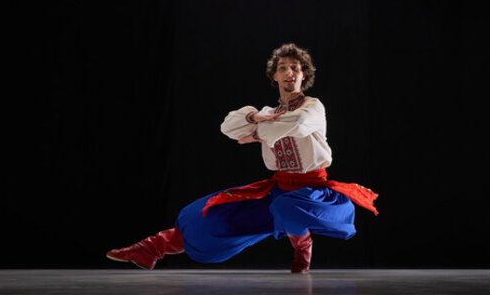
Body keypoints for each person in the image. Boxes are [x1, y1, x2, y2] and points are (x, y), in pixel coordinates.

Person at [106, 43, 379, 273]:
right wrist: (254, 117)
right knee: (205, 216)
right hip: (278, 190)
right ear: (274, 75)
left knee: (288, 207)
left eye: (295, 67)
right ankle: (149, 249)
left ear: (303, 74)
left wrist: (259, 132)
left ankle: (302, 246)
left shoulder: (313, 106)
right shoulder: (266, 111)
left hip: (314, 192)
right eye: (282, 67)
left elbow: (296, 124)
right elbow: (228, 127)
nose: (289, 72)